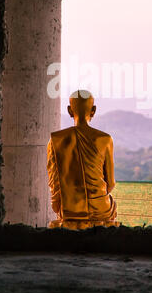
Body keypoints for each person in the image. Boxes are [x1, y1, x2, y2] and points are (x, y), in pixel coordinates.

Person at [47, 89, 120, 230]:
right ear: (93, 110)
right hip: (100, 209)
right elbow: (110, 184)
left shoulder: (56, 140)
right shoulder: (104, 139)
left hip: (69, 209)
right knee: (112, 205)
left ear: (69, 110)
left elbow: (54, 185)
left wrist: (60, 206)